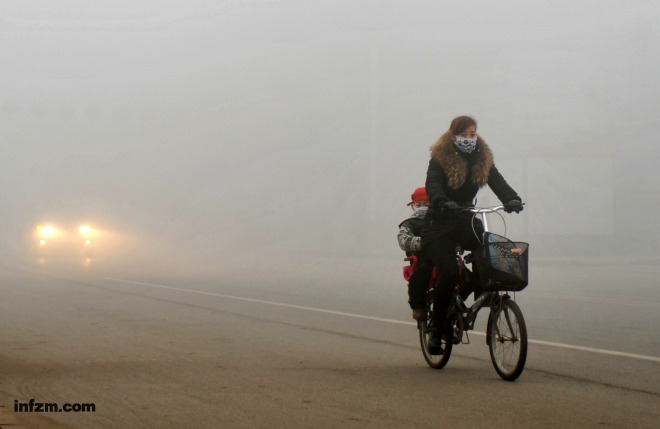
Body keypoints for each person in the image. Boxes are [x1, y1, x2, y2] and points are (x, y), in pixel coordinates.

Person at [421, 115, 523, 354]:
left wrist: (511, 199)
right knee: (447, 271)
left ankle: (469, 295)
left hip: (466, 220)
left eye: (472, 134)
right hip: (439, 225)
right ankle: (437, 331)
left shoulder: (482, 157)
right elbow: (432, 184)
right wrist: (442, 201)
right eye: (464, 135)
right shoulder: (439, 158)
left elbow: (497, 181)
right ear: (453, 135)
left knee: (489, 257)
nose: (469, 139)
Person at [397, 187, 433, 321]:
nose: (422, 208)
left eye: (426, 204)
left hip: (443, 256)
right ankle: (418, 306)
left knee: (464, 275)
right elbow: (403, 240)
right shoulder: (409, 224)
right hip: (422, 258)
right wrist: (426, 243)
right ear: (413, 207)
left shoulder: (440, 222)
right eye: (419, 205)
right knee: (420, 275)